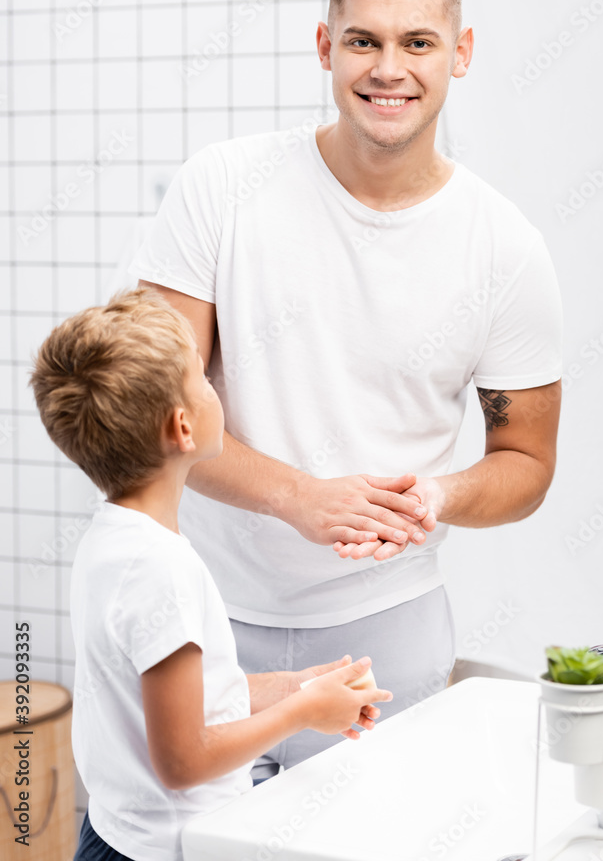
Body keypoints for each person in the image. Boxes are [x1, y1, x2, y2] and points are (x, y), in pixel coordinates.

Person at [129, 0, 563, 780]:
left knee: (374, 834)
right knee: (186, 837)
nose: (388, 69)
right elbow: (155, 412)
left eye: (417, 42)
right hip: (205, 615)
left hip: (388, 633)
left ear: (460, 53)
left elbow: (527, 463)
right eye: (364, 40)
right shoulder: (221, 187)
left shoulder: (505, 249)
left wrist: (437, 495)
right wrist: (298, 496)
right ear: (326, 46)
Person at [29, 288, 391, 861]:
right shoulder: (161, 569)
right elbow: (184, 760)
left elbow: (179, 703)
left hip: (116, 834)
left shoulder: (113, 538)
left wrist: (293, 687)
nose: (214, 387)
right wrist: (304, 713)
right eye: (202, 378)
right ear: (182, 427)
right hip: (168, 849)